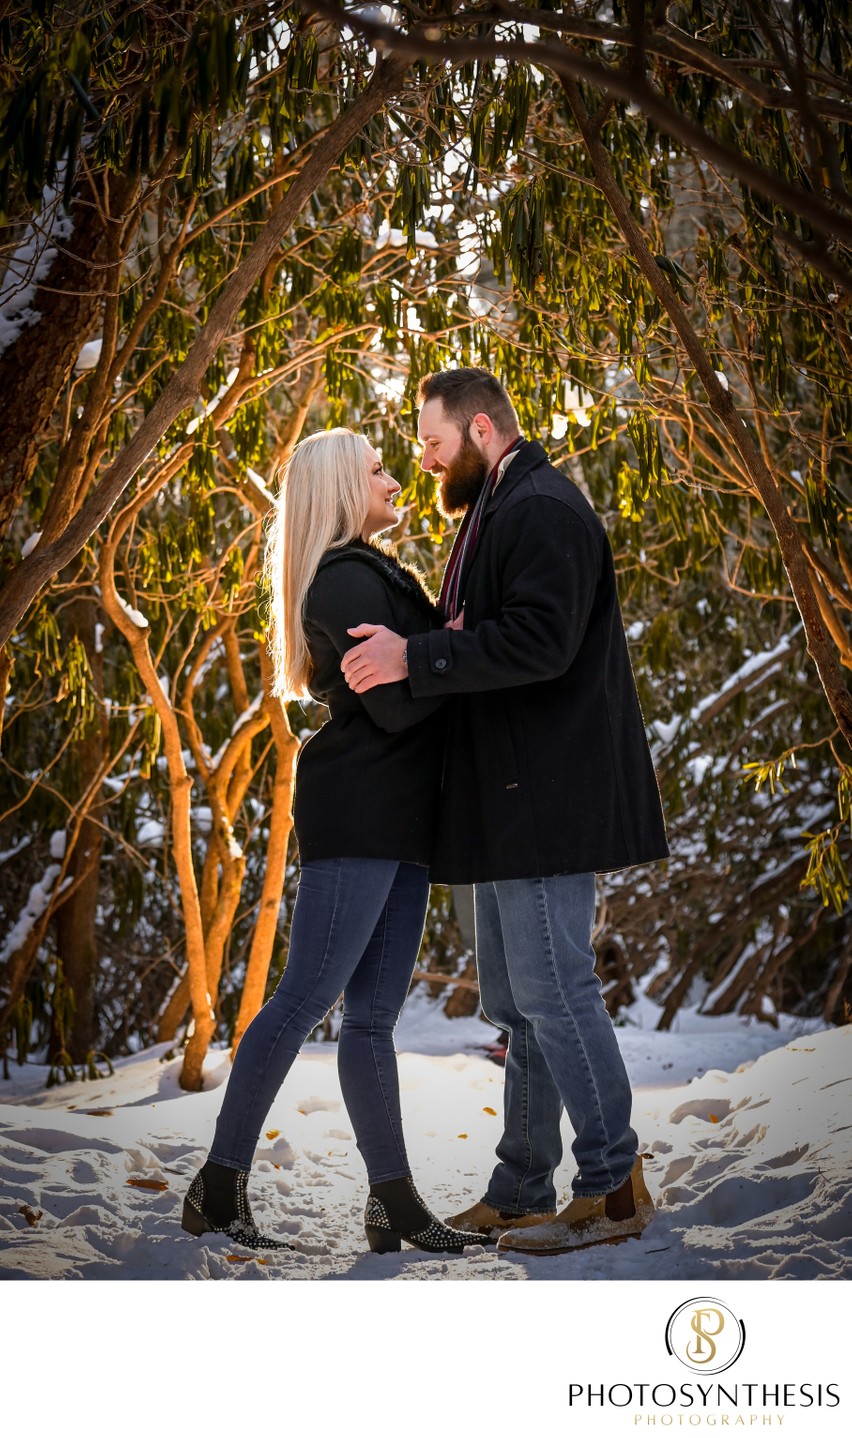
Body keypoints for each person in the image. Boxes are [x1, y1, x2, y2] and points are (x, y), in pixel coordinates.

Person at [341, 369, 669, 1256]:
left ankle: (611, 1187)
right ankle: (522, 1187)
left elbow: (540, 641)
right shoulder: (496, 508)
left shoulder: (541, 509)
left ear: (481, 431)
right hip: (506, 805)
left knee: (557, 992)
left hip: (544, 804)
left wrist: (418, 656)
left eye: (434, 444)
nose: (424, 461)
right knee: (518, 1005)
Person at [182, 428, 488, 1255]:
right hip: (359, 809)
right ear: (339, 492)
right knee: (305, 998)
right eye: (378, 469)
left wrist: (438, 651)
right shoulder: (344, 581)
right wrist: (448, 652)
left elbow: (420, 677)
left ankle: (391, 1203)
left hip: (401, 816)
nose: (395, 477)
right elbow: (394, 702)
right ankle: (218, 1184)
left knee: (372, 1018)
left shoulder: (372, 572)